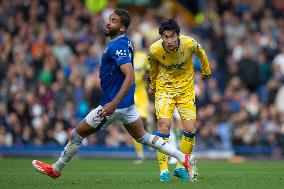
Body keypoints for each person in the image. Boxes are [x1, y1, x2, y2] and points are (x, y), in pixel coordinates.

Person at [32, 9, 195, 180]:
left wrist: (113, 103)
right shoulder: (123, 42)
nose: (108, 23)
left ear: (123, 27)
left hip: (113, 105)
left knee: (77, 134)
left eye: (114, 21)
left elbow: (130, 76)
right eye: (109, 19)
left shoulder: (118, 46)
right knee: (144, 137)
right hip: (127, 106)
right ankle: (183, 158)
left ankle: (56, 169)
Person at [148, 19, 211, 182]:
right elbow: (153, 69)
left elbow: (201, 53)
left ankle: (181, 167)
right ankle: (163, 170)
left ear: (178, 36)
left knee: (190, 130)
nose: (169, 41)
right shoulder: (154, 50)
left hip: (186, 91)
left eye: (172, 36)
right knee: (164, 125)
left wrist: (206, 71)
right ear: (161, 37)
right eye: (165, 37)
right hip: (164, 90)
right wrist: (153, 85)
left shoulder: (189, 43)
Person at [132, 50, 150, 164]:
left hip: (140, 93)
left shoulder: (141, 56)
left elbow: (150, 69)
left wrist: (146, 75)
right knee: (133, 124)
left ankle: (151, 141)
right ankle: (140, 154)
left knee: (142, 122)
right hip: (128, 93)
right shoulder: (121, 59)